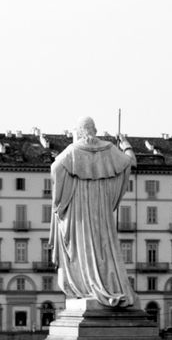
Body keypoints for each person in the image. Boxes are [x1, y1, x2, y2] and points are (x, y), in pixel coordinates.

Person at [49, 116, 136, 307]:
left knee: (83, 247)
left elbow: (55, 167)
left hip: (79, 208)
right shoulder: (109, 149)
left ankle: (89, 285)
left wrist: (59, 202)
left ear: (79, 131)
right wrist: (126, 145)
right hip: (102, 209)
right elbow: (130, 162)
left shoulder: (73, 150)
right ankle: (108, 284)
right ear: (94, 130)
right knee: (103, 245)